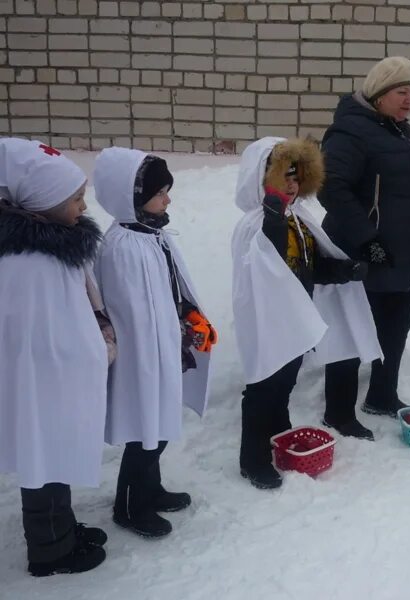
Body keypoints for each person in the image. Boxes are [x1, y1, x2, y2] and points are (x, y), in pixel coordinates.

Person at [231, 137, 382, 490]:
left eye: (296, 178)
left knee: (284, 382)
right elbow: (263, 267)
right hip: (269, 323)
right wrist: (272, 215)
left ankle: (277, 433)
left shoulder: (298, 220)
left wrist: (345, 270)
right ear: (260, 178)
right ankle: (251, 458)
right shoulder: (255, 225)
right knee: (263, 386)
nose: (290, 185)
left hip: (295, 319)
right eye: (283, 176)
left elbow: (311, 268)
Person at [318, 56, 410, 418]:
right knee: (351, 335)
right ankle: (339, 412)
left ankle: (382, 395)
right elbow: (330, 187)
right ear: (379, 93)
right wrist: (367, 239)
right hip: (361, 257)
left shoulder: (408, 135)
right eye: (402, 91)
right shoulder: (350, 132)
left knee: (395, 328)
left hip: (399, 256)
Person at [94, 148, 216, 538]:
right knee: (145, 432)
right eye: (160, 192)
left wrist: (187, 317)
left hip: (163, 348)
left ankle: (151, 489)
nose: (168, 199)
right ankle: (129, 506)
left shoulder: (151, 235)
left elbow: (168, 290)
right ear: (132, 196)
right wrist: (159, 345)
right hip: (141, 358)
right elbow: (131, 313)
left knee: (158, 427)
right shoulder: (123, 247)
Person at [0, 138, 109, 576]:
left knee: (55, 456)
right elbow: (33, 331)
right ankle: (50, 552)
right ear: (42, 205)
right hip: (39, 384)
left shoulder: (56, 247)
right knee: (42, 464)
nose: (84, 207)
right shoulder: (29, 263)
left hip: (56, 380)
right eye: (76, 199)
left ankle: (61, 528)